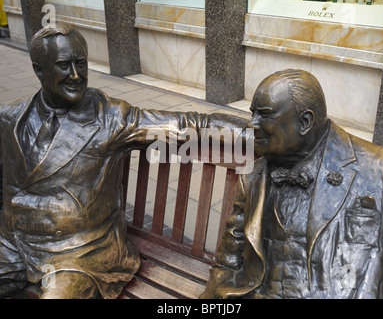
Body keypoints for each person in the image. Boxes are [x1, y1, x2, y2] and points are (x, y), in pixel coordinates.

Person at [0, 23, 248, 299]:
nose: (75, 75)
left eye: (81, 63)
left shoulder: (112, 117)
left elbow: (188, 124)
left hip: (80, 253)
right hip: (13, 244)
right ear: (38, 70)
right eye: (63, 65)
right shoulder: (10, 118)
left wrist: (255, 132)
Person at [200, 69, 383, 299]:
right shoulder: (253, 178)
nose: (252, 124)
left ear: (305, 122)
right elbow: (228, 259)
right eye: (252, 113)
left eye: (264, 115)